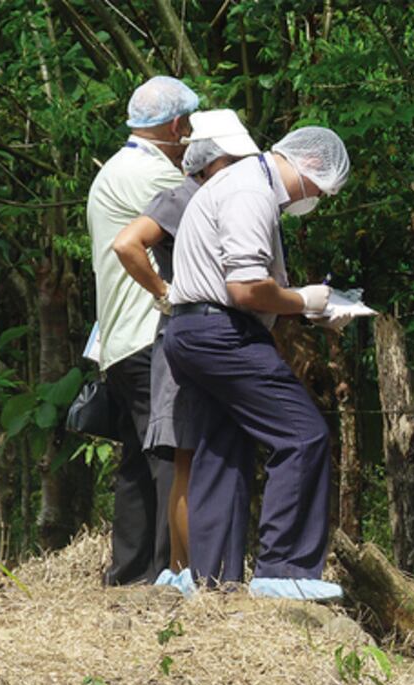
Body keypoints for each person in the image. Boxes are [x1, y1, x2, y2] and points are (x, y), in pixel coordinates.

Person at [163, 125, 354, 600]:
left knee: (223, 450)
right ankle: (284, 570)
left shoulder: (237, 183)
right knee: (303, 434)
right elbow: (245, 288)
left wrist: (306, 309)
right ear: (309, 167)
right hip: (222, 333)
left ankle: (212, 580)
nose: (316, 200)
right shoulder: (252, 190)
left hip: (191, 330)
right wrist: (306, 300)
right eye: (322, 191)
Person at [111, 109, 260, 583]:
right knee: (188, 458)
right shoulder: (185, 197)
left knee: (205, 458)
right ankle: (191, 575)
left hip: (211, 339)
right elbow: (127, 244)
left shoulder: (221, 196)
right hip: (187, 338)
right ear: (208, 162)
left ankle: (197, 575)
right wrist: (165, 292)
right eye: (232, 159)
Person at [88, 75, 198, 585]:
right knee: (166, 455)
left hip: (120, 339)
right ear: (176, 126)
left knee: (136, 461)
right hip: (143, 334)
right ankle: (167, 574)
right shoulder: (149, 175)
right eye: (190, 126)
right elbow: (204, 214)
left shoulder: (121, 165)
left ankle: (128, 577)